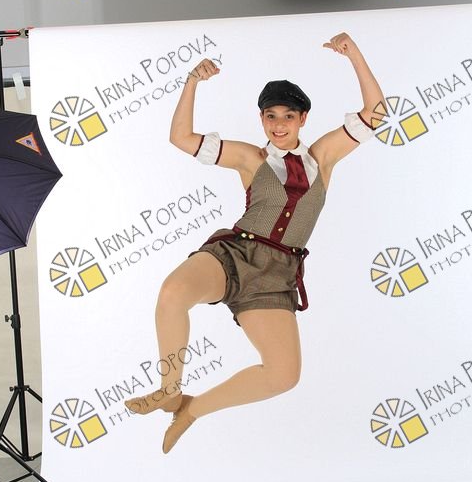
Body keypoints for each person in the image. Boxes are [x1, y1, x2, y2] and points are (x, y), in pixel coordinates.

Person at [124, 32, 387, 453]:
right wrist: (192, 82)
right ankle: (169, 390)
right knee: (172, 293)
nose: (278, 125)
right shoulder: (251, 157)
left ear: (302, 119)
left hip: (276, 275)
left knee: (283, 376)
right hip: (235, 254)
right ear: (262, 120)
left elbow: (376, 113)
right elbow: (181, 138)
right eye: (270, 116)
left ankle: (191, 409)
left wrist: (353, 53)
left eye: (288, 116)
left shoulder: (322, 157)